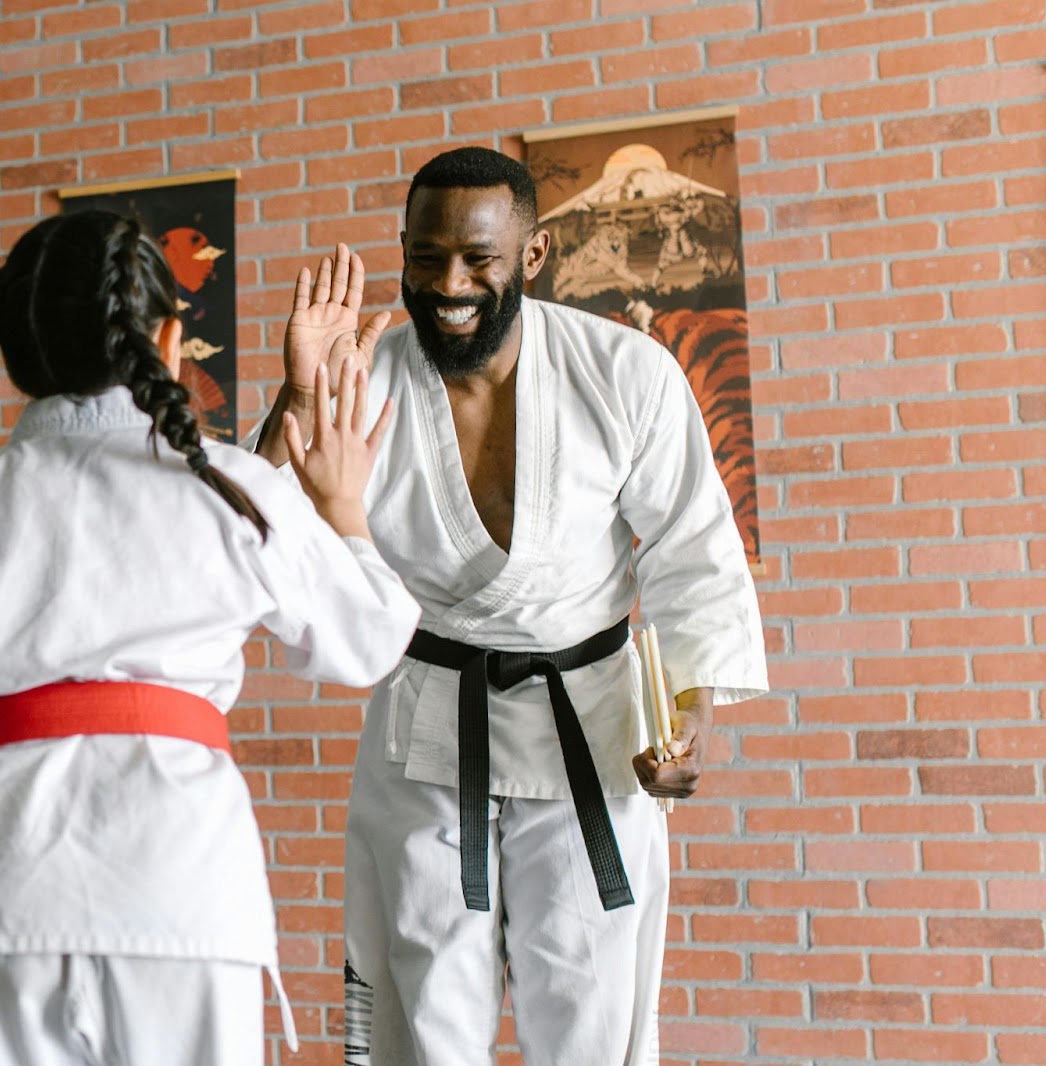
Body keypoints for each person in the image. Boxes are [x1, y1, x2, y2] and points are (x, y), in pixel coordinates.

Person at [0, 209, 422, 1066]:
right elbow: (368, 642)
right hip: (180, 880)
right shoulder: (233, 490)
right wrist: (344, 505)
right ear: (169, 338)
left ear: (14, 352)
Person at [250, 147, 768, 1065]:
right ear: (403, 251)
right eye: (426, 257)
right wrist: (298, 392)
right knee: (424, 1019)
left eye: (480, 260)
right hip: (425, 733)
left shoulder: (625, 373)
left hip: (593, 741)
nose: (450, 283)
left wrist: (689, 716)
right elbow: (262, 539)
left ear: (530, 258)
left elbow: (694, 553)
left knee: (593, 1022)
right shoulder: (359, 377)